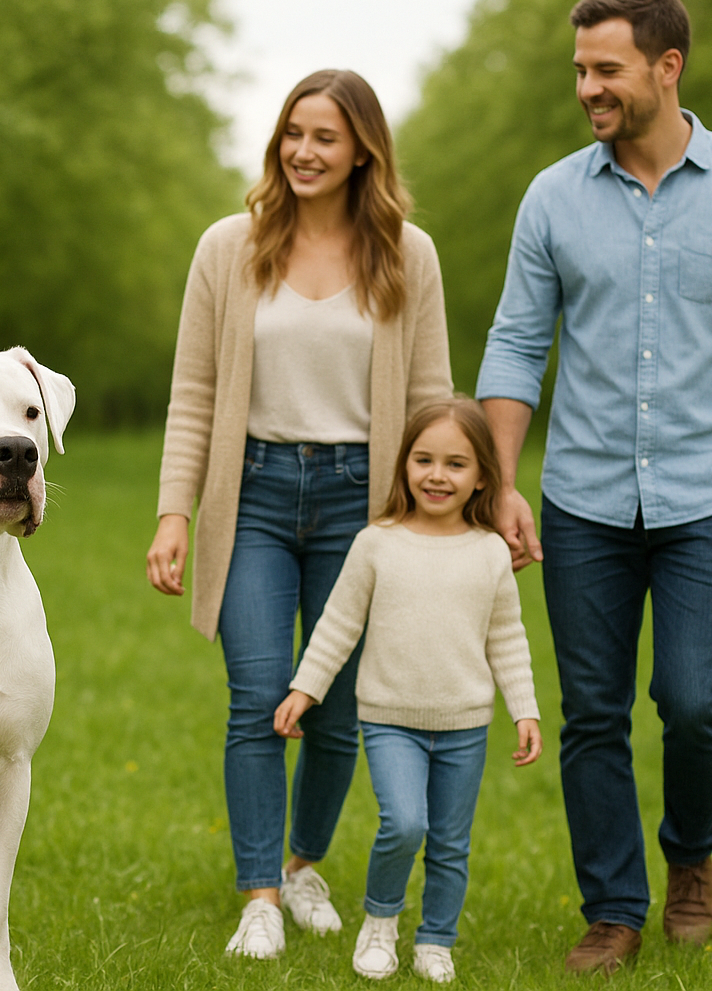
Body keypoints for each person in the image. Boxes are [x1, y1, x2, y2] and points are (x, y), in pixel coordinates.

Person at [474, 0, 712, 974]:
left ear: (667, 68)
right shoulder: (552, 195)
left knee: (693, 698)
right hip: (582, 497)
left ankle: (691, 857)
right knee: (591, 710)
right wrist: (501, 480)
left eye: (606, 70)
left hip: (708, 495)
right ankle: (612, 909)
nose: (587, 87)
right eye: (580, 70)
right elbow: (514, 346)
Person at [146, 69, 454, 959]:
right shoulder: (229, 249)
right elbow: (194, 394)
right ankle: (259, 897)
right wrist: (175, 513)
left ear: (363, 147)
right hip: (257, 498)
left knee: (337, 706)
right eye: (293, 133)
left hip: (365, 505)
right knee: (257, 698)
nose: (304, 152)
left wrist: (437, 516)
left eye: (325, 136)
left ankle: (303, 865)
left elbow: (432, 395)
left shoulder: (408, 253)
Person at [273, 397, 542, 984]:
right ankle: (380, 922)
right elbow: (338, 625)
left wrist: (525, 710)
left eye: (456, 464)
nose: (438, 475)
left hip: (466, 724)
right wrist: (305, 690)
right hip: (390, 718)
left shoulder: (491, 552)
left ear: (481, 478)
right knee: (404, 824)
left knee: (449, 842)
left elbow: (508, 638)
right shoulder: (377, 543)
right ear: (403, 466)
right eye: (424, 460)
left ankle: (436, 939)